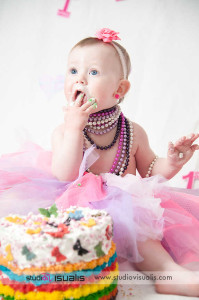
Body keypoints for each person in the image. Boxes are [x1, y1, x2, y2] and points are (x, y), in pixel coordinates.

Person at [0, 28, 198, 297]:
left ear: (120, 88)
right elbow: (64, 175)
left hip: (127, 206)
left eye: (93, 72)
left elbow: (151, 170)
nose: (79, 79)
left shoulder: (132, 131)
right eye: (72, 71)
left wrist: (173, 163)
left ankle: (168, 273)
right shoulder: (64, 131)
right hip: (76, 211)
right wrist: (73, 129)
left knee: (142, 230)